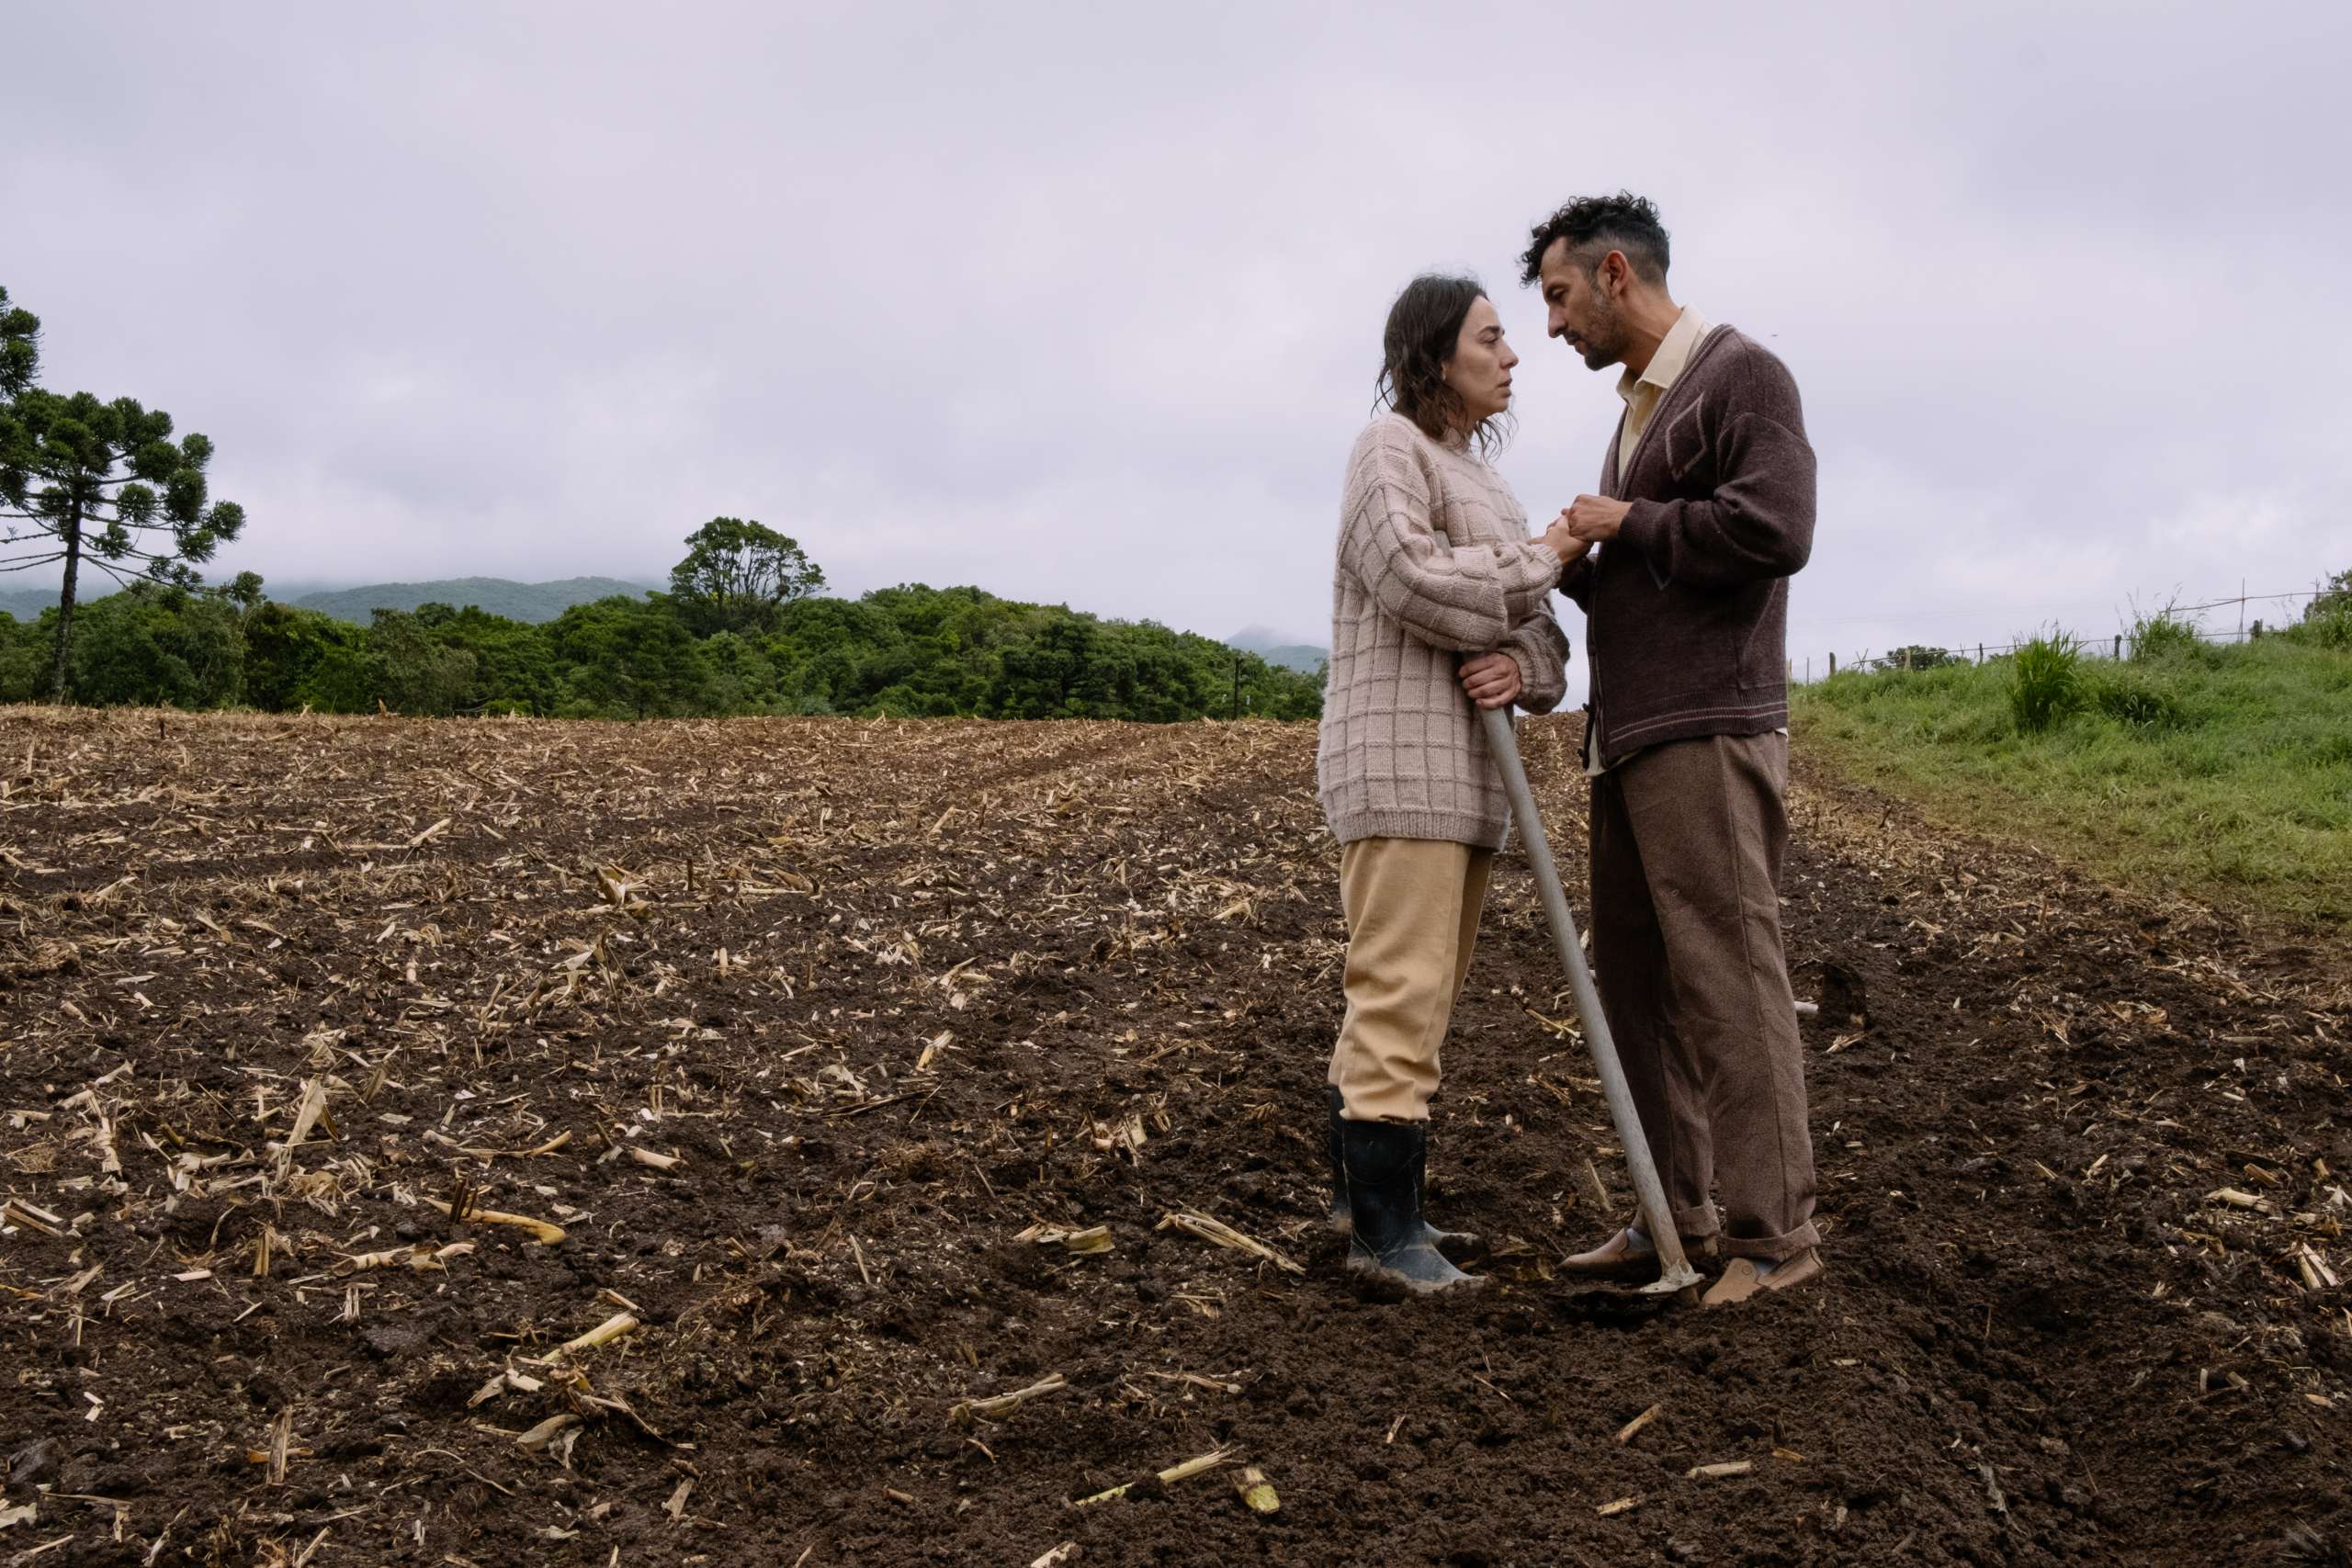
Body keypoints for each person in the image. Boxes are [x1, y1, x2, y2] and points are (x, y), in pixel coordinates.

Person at [1521, 193, 1824, 1305]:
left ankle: (1774, 1235)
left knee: (1729, 974)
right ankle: (1673, 1218)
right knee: (1639, 984)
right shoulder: (1637, 414)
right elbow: (1654, 579)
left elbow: (1773, 529)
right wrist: (1572, 564)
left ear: (1612, 274)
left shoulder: (1741, 375)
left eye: (1556, 298)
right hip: (1630, 738)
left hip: (1706, 726)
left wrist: (1625, 522)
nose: (1552, 329)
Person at [1317, 274, 1581, 1294]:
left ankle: (1371, 1205)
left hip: (1472, 783)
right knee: (1399, 994)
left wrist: (1525, 666)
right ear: (1432, 358)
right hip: (1400, 765)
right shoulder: (1388, 449)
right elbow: (1415, 583)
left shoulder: (1489, 486)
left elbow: (1540, 639)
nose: (1512, 354)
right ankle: (1383, 1239)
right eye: (1490, 336)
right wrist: (1543, 558)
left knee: (1418, 1001)